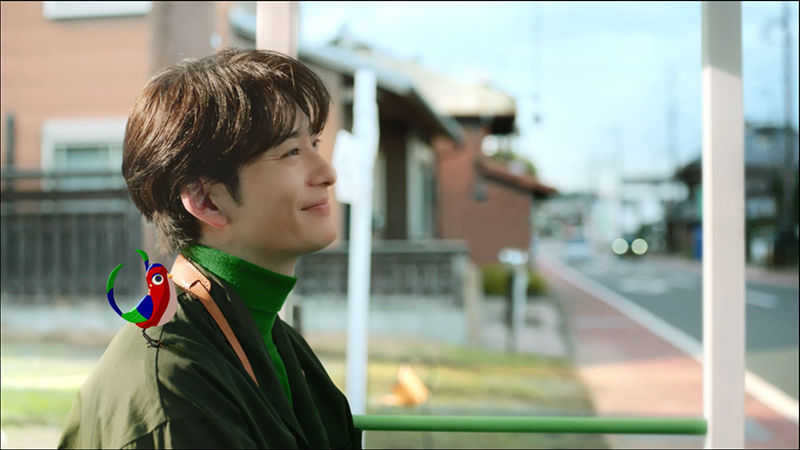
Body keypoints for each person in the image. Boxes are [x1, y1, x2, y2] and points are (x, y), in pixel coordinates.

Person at [58, 48, 361, 449]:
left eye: (315, 144)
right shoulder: (175, 388)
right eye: (291, 152)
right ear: (207, 201)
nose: (327, 172)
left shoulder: (270, 338)